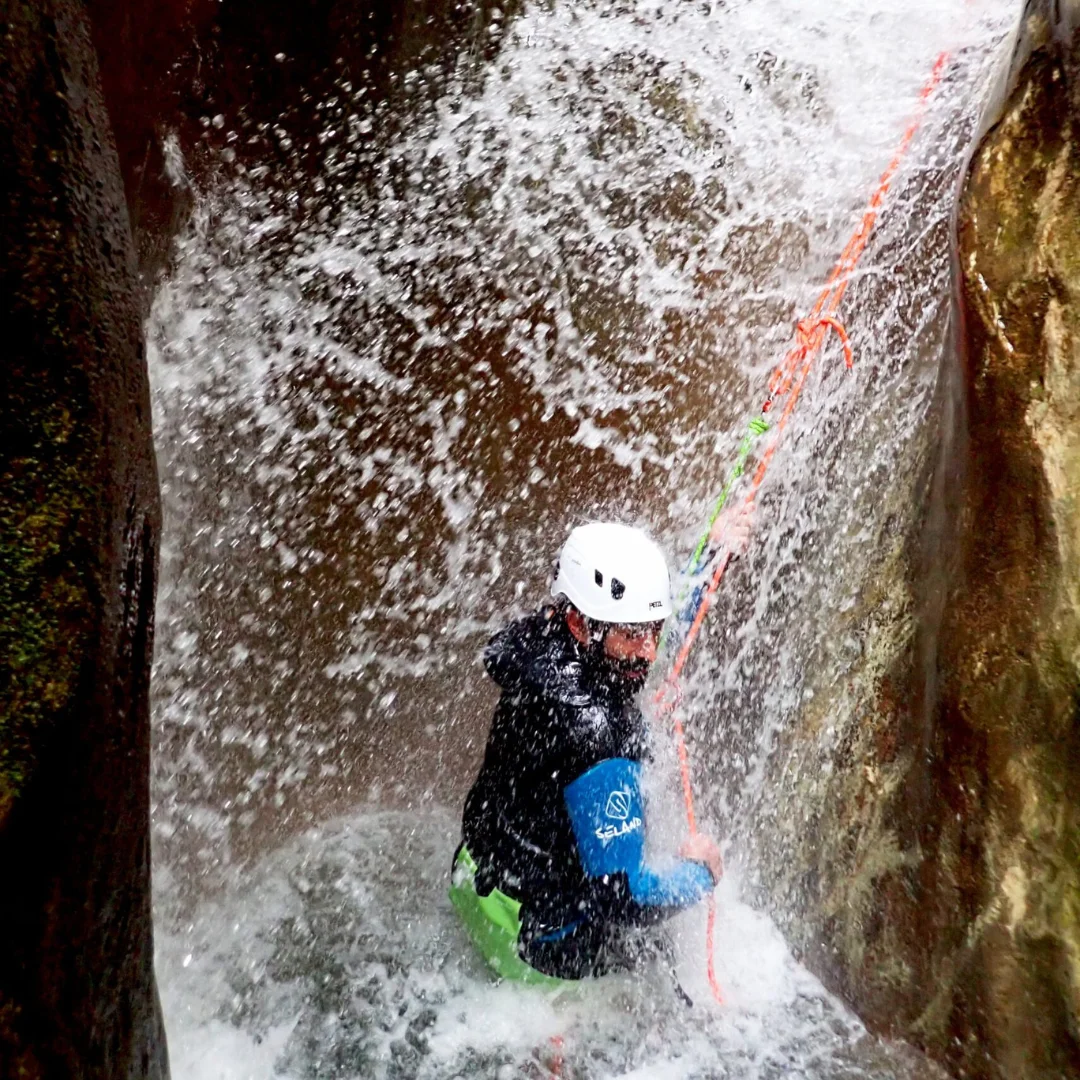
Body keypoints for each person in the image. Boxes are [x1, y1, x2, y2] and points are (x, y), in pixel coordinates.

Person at [450, 512, 748, 983]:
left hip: (477, 883)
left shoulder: (543, 640)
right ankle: (558, 1036)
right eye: (632, 635)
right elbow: (622, 896)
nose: (649, 652)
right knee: (658, 961)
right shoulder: (594, 734)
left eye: (653, 628)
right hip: (534, 945)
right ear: (579, 622)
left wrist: (710, 560)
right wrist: (700, 874)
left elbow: (650, 637)